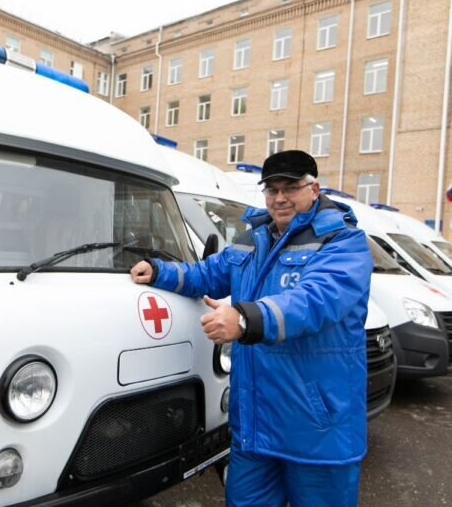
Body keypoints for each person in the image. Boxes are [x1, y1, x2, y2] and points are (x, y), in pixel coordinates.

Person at [130, 150, 372, 506]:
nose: (279, 198)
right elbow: (209, 274)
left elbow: (315, 300)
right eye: (271, 189)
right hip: (256, 428)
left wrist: (243, 319)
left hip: (317, 431)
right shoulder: (253, 238)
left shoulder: (344, 243)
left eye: (290, 187)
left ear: (314, 189)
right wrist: (161, 271)